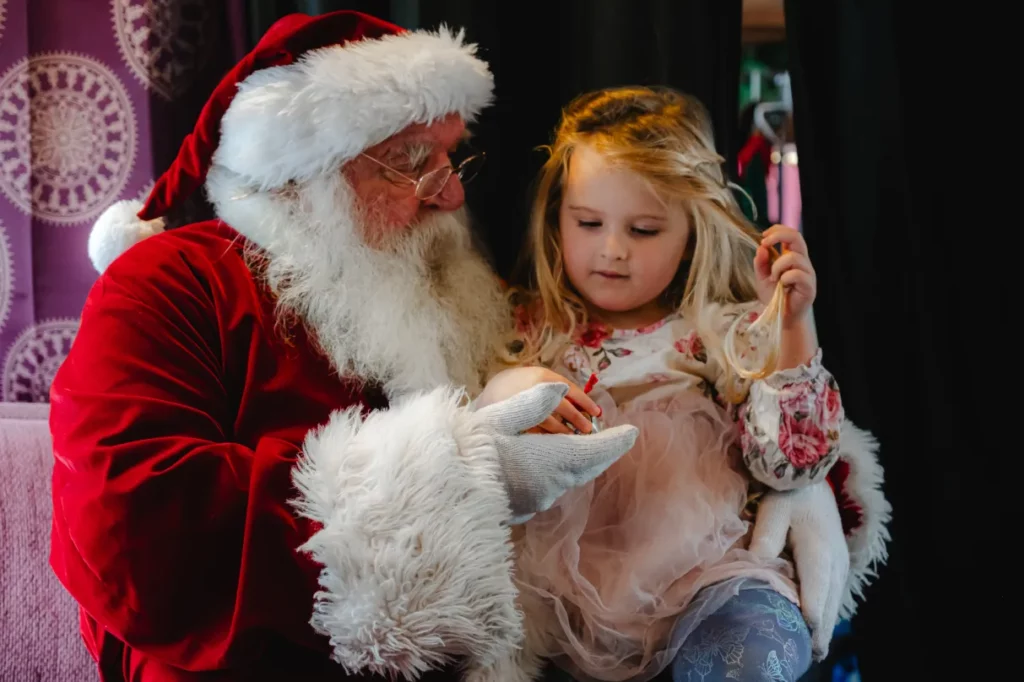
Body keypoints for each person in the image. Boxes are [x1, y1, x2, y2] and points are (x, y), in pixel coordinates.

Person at [49, 11, 642, 682]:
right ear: (304, 179)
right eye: (414, 163)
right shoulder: (167, 284)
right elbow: (131, 521)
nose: (452, 194)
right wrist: (447, 482)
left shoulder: (439, 285)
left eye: (453, 156)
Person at [469, 87, 890, 682]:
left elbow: (791, 465)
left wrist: (793, 326)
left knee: (760, 650)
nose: (611, 250)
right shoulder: (526, 331)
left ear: (692, 228)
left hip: (707, 575)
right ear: (555, 213)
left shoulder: (716, 331)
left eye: (643, 229)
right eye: (588, 222)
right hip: (557, 591)